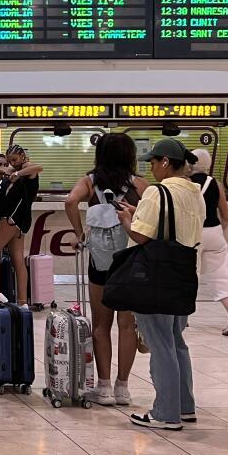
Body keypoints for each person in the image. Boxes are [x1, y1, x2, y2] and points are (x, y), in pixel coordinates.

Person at [116, 138, 205, 431]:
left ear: (165, 162)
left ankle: (166, 413)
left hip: (156, 278)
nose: (151, 167)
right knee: (177, 341)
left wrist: (127, 218)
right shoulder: (196, 192)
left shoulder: (158, 191)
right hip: (184, 275)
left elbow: (141, 236)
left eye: (153, 162)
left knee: (160, 343)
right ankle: (184, 406)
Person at [64, 133, 147, 407]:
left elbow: (70, 202)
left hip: (99, 261)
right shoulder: (139, 185)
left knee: (101, 324)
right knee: (127, 324)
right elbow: (153, 213)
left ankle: (104, 387)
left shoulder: (90, 181)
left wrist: (79, 233)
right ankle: (123, 387)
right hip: (131, 262)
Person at [187, 148, 228, 337]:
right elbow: (226, 215)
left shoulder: (186, 184)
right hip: (215, 232)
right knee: (221, 274)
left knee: (187, 274)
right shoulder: (216, 183)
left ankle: (182, 317)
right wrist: (218, 231)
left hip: (192, 234)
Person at [0, 145, 43, 306]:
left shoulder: (28, 169)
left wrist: (15, 173)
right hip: (22, 221)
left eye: (14, 159)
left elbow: (39, 167)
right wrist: (8, 171)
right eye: (9, 160)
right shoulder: (15, 169)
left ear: (23, 157)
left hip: (12, 219)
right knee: (17, 259)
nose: (12, 163)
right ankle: (23, 301)